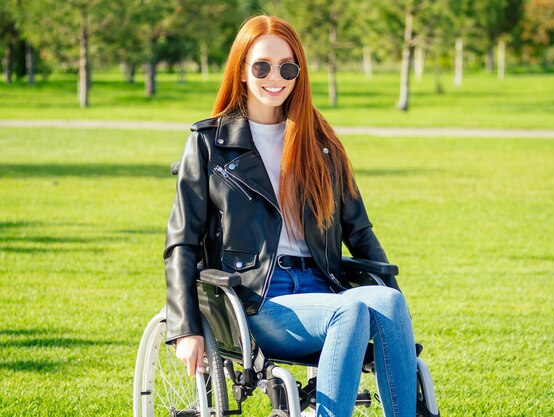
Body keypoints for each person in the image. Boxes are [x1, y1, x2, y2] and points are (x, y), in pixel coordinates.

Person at [164, 15, 417, 417]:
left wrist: (395, 325)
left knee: (387, 300)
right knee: (349, 310)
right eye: (261, 66)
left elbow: (360, 231)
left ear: (299, 73)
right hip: (257, 297)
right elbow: (182, 243)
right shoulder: (209, 143)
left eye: (287, 67)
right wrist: (185, 329)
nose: (275, 77)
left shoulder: (321, 142)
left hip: (323, 285)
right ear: (242, 71)